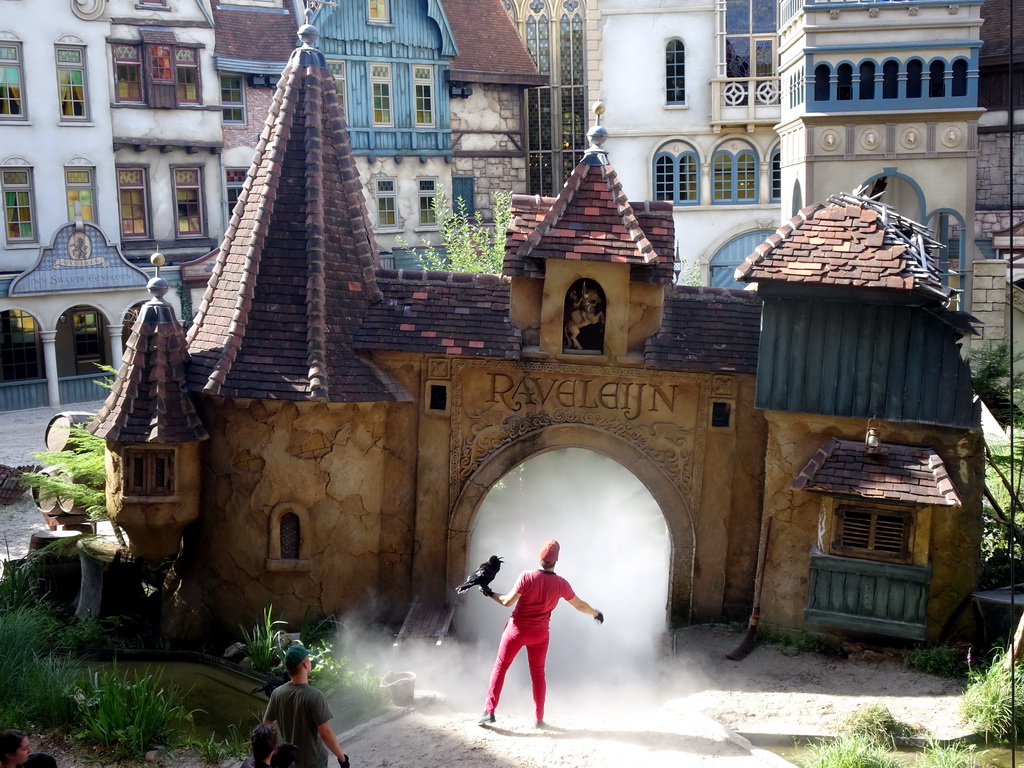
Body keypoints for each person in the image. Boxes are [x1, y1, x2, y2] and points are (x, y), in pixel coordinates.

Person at [478, 539, 604, 728]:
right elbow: (579, 605)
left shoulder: (527, 577)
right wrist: (596, 613)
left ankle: (489, 712)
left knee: (501, 667)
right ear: (556, 560)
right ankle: (538, 719)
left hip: (516, 631)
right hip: (540, 635)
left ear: (540, 557)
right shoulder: (561, 584)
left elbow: (506, 602)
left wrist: (489, 593)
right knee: (538, 675)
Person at [263, 645, 349, 768]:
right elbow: (326, 733)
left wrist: (276, 752)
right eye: (308, 659)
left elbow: (266, 725)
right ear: (305, 665)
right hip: (314, 762)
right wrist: (342, 758)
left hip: (290, 761)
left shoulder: (277, 693)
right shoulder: (315, 696)